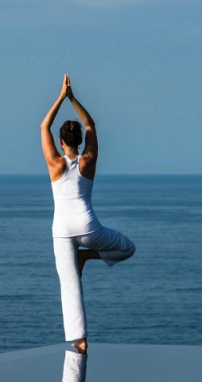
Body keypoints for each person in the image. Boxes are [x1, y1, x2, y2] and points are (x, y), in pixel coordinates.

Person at [41, 74, 136, 354]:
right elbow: (91, 124)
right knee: (128, 248)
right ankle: (87, 255)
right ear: (80, 141)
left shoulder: (54, 162)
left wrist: (60, 96)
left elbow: (43, 124)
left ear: (61, 142)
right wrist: (73, 98)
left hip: (61, 230)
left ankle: (79, 339)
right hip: (88, 228)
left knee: (69, 285)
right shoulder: (88, 161)